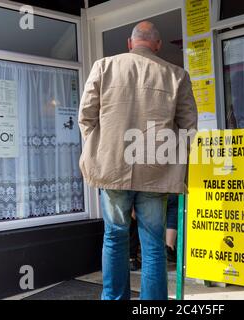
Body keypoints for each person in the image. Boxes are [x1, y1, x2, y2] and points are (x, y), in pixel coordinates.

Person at [78, 21, 198, 300]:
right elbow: (189, 127)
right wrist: (172, 160)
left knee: (115, 237)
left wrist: (103, 148)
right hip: (156, 169)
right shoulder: (176, 75)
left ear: (130, 44)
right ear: (157, 45)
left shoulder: (104, 66)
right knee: (154, 245)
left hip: (112, 167)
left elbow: (86, 117)